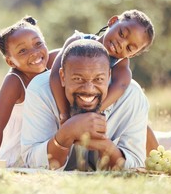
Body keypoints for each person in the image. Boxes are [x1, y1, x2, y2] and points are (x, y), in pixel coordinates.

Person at [21, 39, 149, 171]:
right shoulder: (40, 89)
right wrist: (66, 134)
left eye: (98, 79)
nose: (89, 89)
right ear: (63, 77)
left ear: (109, 75)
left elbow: (136, 165)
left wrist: (104, 146)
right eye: (78, 79)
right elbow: (32, 162)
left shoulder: (132, 96)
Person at [49, 9, 159, 156]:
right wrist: (64, 114)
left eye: (129, 48)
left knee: (140, 124)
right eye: (121, 34)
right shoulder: (77, 42)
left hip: (94, 108)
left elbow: (121, 86)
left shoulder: (121, 66)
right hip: (66, 101)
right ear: (112, 22)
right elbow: (55, 76)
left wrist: (93, 112)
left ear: (133, 54)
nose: (121, 44)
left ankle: (161, 157)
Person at [0, 16, 57, 167]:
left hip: (31, 122)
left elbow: (77, 48)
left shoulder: (53, 60)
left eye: (38, 43)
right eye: (22, 51)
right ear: (10, 61)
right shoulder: (14, 81)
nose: (34, 53)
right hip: (2, 125)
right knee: (12, 156)